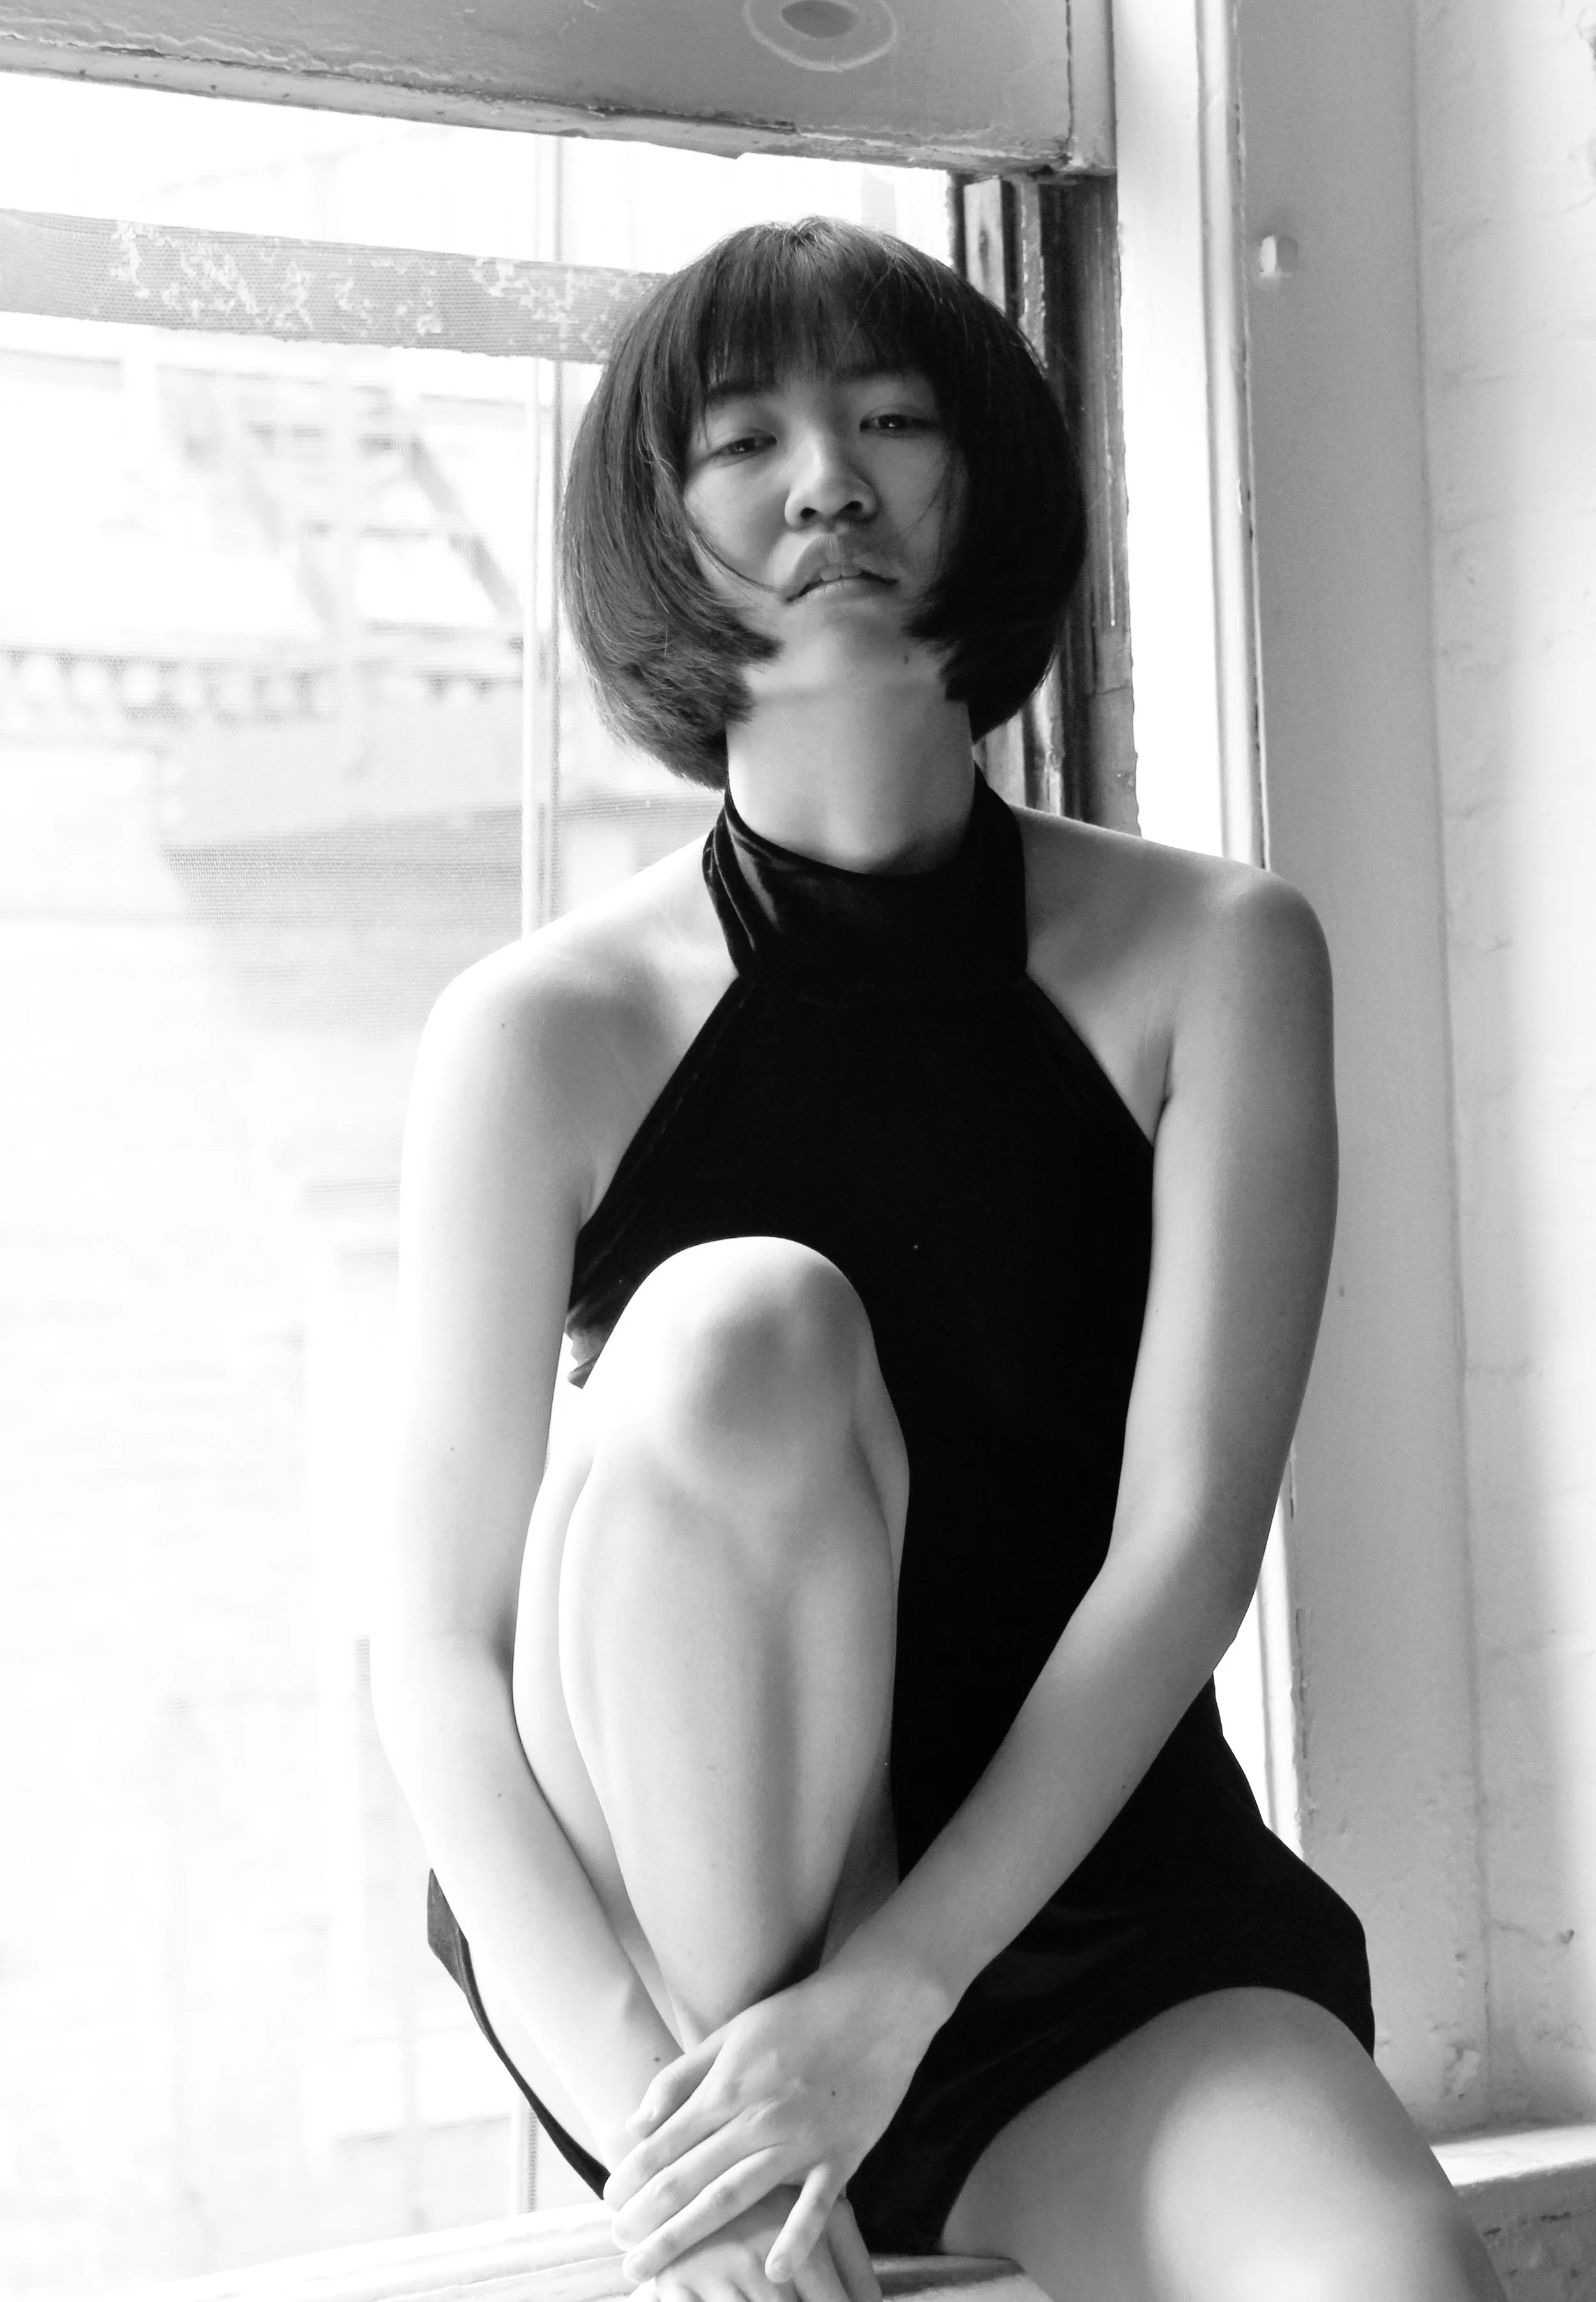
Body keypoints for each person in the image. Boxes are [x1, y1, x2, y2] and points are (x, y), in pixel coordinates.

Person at [373, 217, 1505, 2302]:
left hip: (1077, 1922)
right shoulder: (535, 1030)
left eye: (892, 420)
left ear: (984, 477)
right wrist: (674, 2123)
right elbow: (432, 1651)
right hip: (668, 1973)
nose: (828, 480)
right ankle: (755, 2157)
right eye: (746, 438)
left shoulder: (1215, 956)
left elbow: (1182, 1554)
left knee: (1389, 2282)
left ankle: (833, 2082)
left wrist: (889, 2001)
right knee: (734, 1324)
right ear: (658, 516)